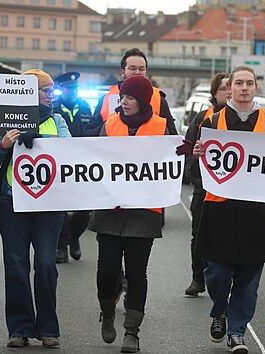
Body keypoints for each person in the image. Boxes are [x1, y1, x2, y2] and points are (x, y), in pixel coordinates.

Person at [192, 66, 265, 354]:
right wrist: (197, 157)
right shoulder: (210, 121)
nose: (244, 88)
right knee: (217, 274)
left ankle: (237, 333)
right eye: (239, 83)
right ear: (229, 88)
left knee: (248, 280)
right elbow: (197, 171)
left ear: (255, 88)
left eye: (249, 83)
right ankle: (220, 310)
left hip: (257, 213)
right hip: (219, 210)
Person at [0, 69, 70, 348]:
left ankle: (48, 328)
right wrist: (5, 145)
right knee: (16, 265)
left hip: (49, 203)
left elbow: (70, 154)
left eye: (51, 90)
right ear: (29, 93)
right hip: (12, 202)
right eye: (46, 90)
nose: (51, 95)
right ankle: (19, 328)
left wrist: (43, 141)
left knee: (46, 264)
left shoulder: (57, 120)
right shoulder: (2, 123)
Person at [89, 75, 172, 353]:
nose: (123, 102)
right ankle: (108, 311)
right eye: (122, 97)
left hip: (143, 212)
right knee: (107, 270)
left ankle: (132, 332)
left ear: (143, 100)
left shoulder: (162, 126)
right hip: (110, 210)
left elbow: (173, 162)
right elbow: (95, 160)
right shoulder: (109, 124)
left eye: (130, 98)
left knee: (137, 273)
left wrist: (185, 152)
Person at [183, 71, 230, 297]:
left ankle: (223, 279)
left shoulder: (243, 121)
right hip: (205, 188)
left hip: (232, 191)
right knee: (199, 235)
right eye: (224, 88)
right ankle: (197, 278)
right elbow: (188, 151)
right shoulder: (203, 119)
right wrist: (196, 175)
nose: (230, 92)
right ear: (214, 93)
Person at [87, 47, 177, 136]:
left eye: (141, 69)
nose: (137, 72)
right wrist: (109, 126)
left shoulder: (159, 99)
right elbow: (88, 134)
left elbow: (172, 138)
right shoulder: (106, 99)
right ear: (122, 72)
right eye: (132, 68)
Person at [52, 71, 93, 263]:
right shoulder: (53, 108)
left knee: (84, 210)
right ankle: (62, 246)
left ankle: (74, 237)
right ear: (61, 89)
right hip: (59, 164)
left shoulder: (85, 108)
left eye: (76, 88)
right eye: (70, 88)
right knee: (60, 207)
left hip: (81, 165)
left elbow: (93, 131)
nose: (74, 91)